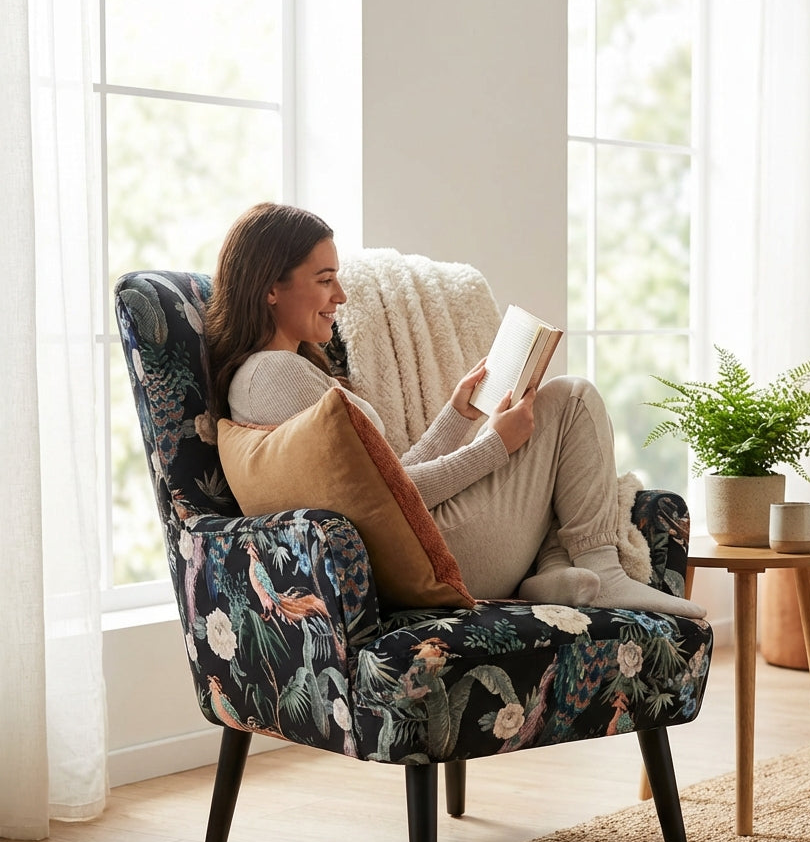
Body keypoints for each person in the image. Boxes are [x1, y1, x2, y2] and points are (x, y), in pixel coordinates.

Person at [205, 202, 705, 619]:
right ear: (271, 288)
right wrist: (493, 446)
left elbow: (385, 478)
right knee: (571, 399)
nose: (341, 296)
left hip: (424, 541)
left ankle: (553, 569)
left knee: (544, 414)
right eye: (325, 280)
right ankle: (605, 572)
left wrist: (458, 415)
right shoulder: (274, 374)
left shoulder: (281, 373)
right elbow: (389, 496)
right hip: (442, 552)